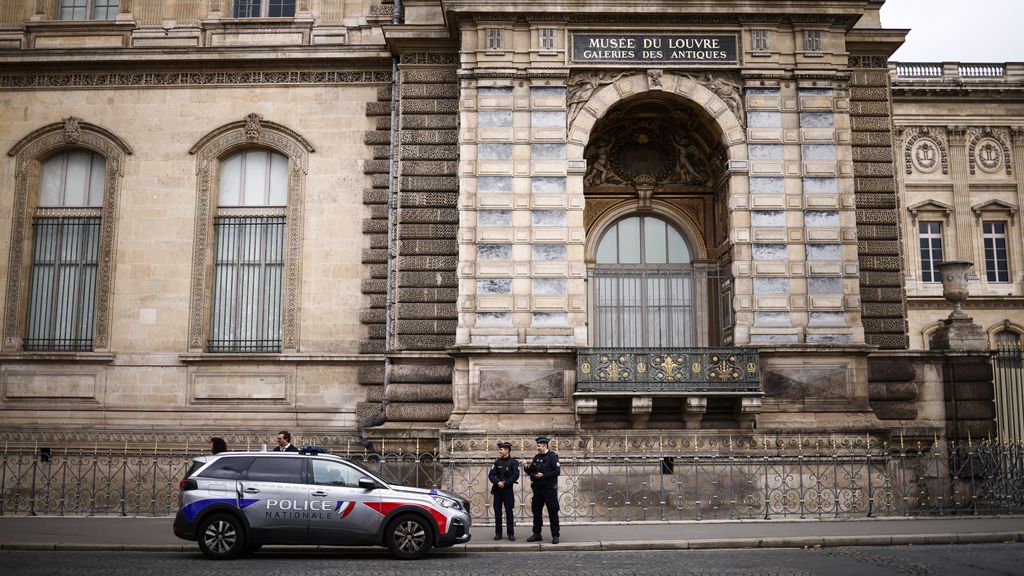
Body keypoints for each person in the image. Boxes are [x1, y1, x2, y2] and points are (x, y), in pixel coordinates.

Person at [523, 435, 560, 544]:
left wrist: (543, 475)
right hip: (538, 490)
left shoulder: (552, 457)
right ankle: (537, 533)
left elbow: (557, 472)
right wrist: (526, 467)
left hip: (549, 490)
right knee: (536, 512)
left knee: (553, 512)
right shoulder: (537, 457)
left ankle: (555, 535)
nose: (537, 447)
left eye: (538, 446)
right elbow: (531, 472)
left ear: (544, 445)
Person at [488, 441, 520, 541]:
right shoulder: (497, 462)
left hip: (507, 490)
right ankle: (498, 533)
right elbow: (491, 475)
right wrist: (497, 482)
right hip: (497, 490)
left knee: (509, 512)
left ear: (507, 450)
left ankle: (510, 533)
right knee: (497, 512)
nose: (499, 451)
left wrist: (505, 483)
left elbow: (515, 476)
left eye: (501, 449)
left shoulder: (514, 462)